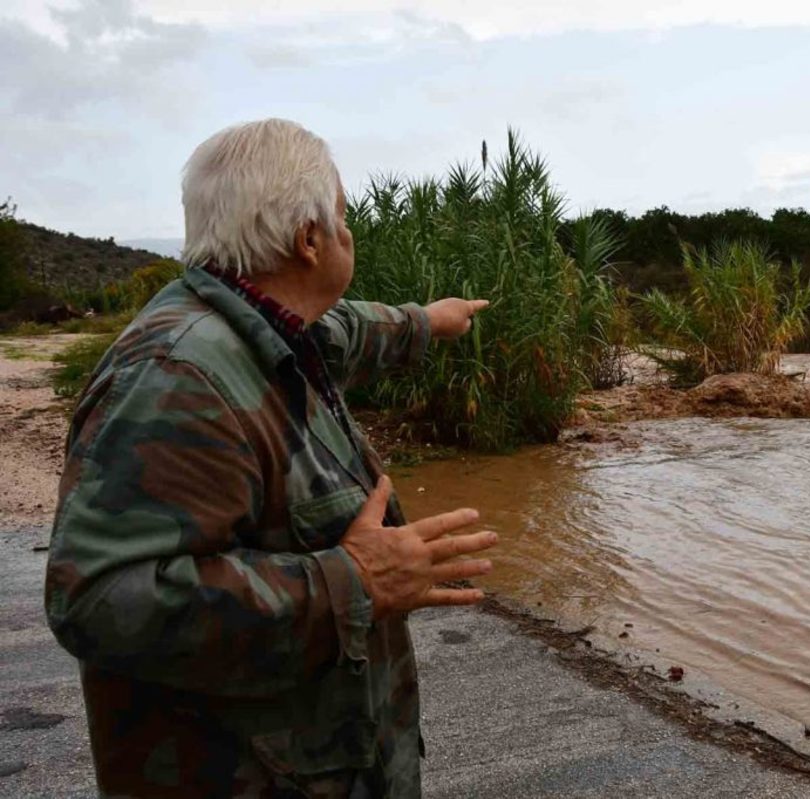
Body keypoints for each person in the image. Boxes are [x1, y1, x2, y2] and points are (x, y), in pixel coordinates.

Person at [44, 118, 497, 798]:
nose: (350, 233)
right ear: (309, 240)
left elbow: (342, 332)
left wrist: (426, 321)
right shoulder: (179, 377)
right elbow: (98, 599)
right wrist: (352, 581)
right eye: (342, 218)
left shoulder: (260, 326)